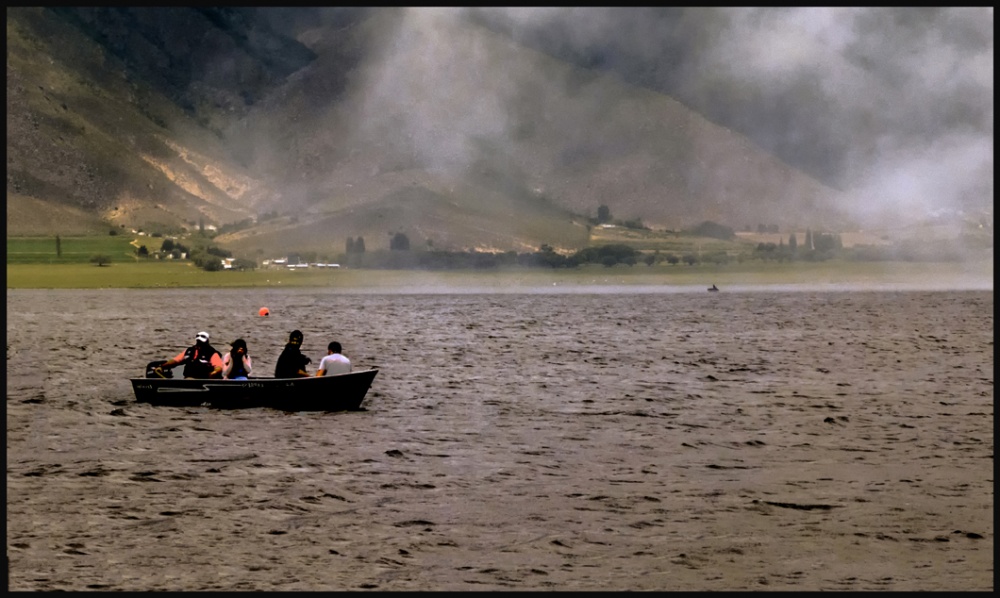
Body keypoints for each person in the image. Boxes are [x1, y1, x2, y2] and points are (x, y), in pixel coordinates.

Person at [155, 331, 223, 379]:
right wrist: (162, 366)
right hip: (189, 379)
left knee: (190, 380)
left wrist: (214, 373)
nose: (199, 344)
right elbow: (176, 361)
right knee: (189, 379)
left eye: (201, 342)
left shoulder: (212, 353)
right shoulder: (189, 351)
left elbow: (218, 367)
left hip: (203, 379)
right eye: (198, 342)